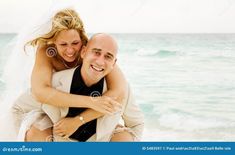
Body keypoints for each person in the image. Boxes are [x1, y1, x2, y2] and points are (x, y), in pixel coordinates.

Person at [8, 8, 127, 141]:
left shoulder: (92, 52)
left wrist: (79, 119)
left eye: (75, 43)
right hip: (49, 106)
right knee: (38, 133)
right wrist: (91, 101)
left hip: (79, 109)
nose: (70, 50)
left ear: (82, 40)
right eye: (63, 44)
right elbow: (40, 92)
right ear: (53, 42)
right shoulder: (47, 51)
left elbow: (119, 91)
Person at [14, 33, 144, 142]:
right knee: (36, 131)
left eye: (108, 56)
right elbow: (17, 108)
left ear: (114, 63)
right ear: (83, 52)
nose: (100, 61)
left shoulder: (121, 88)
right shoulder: (54, 82)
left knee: (125, 139)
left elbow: (136, 124)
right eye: (96, 52)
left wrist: (124, 140)